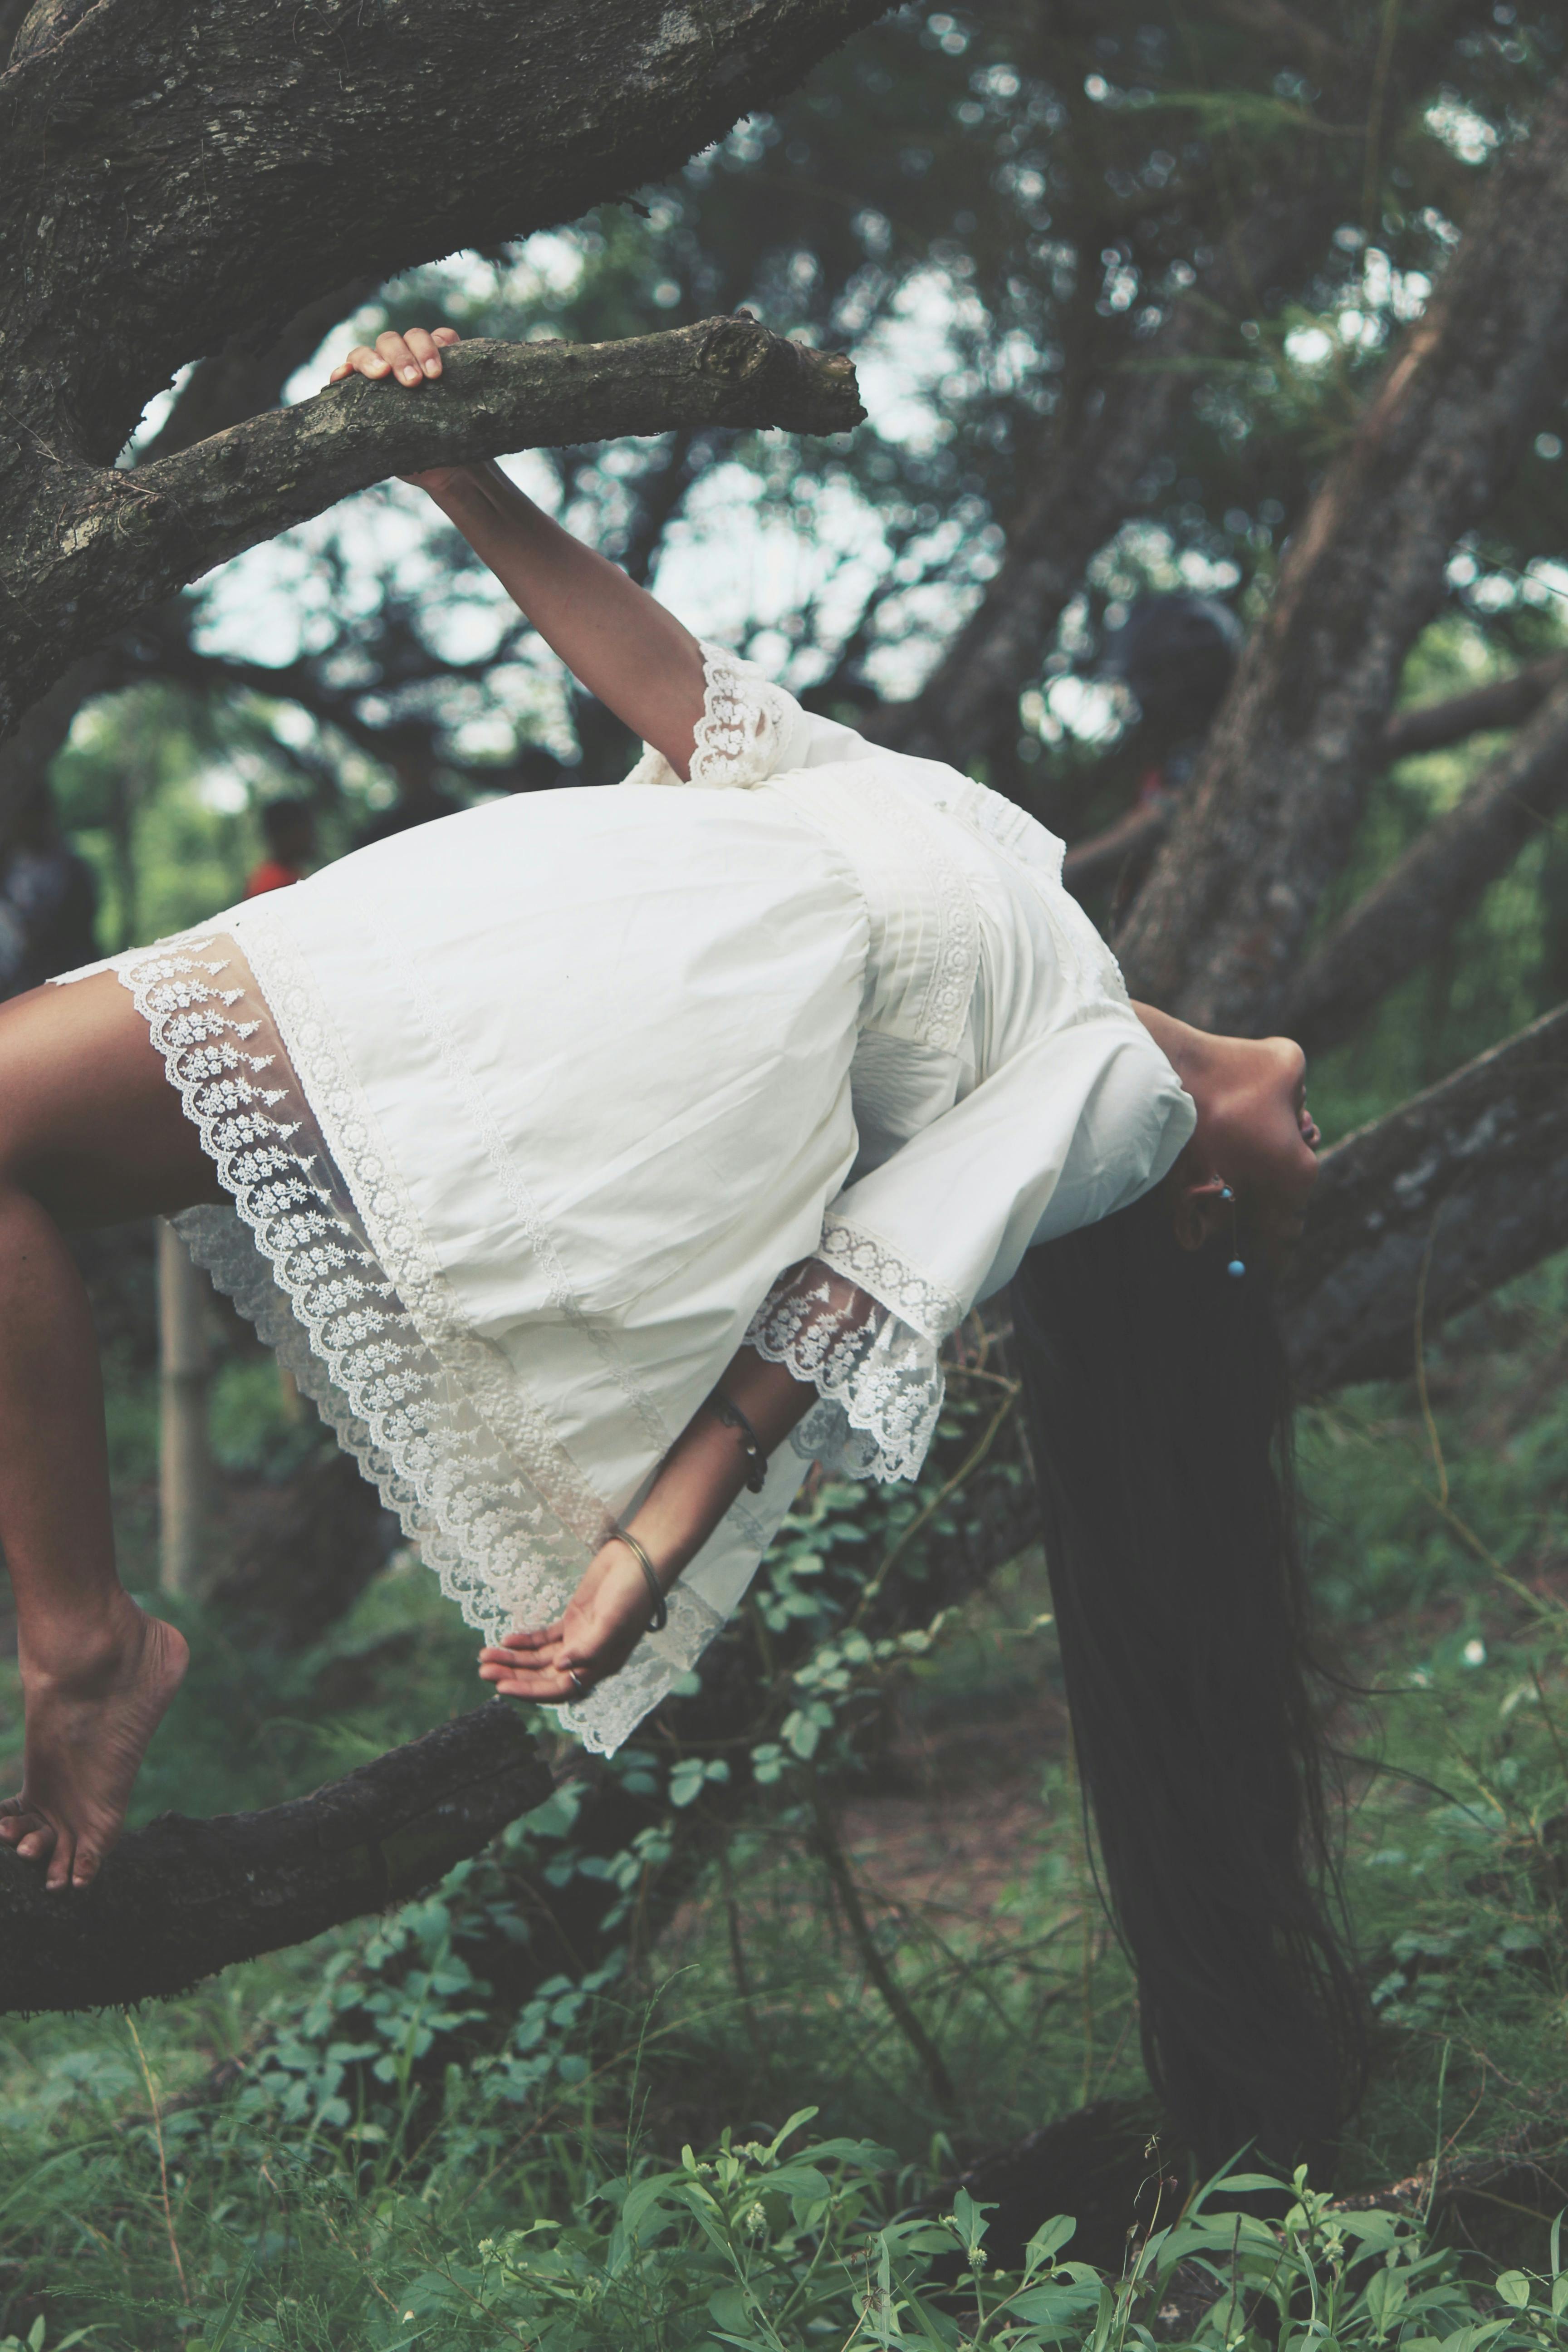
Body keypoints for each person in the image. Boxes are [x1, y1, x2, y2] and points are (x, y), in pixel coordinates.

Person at [0, 323, 1360, 2171]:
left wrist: (651, 1543)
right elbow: (710, 712)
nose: (1324, 1140)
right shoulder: (1043, 892)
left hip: (583, 1034)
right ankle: (82, 1632)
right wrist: (464, 471)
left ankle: (82, 1642)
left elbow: (874, 1275)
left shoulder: (1116, 1110)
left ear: (1208, 1203)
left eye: (1304, 1194)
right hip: (506, 919)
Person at [243, 799, 315, 897]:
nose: (311, 837)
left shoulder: (290, 874)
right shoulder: (272, 883)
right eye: (304, 829)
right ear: (283, 835)